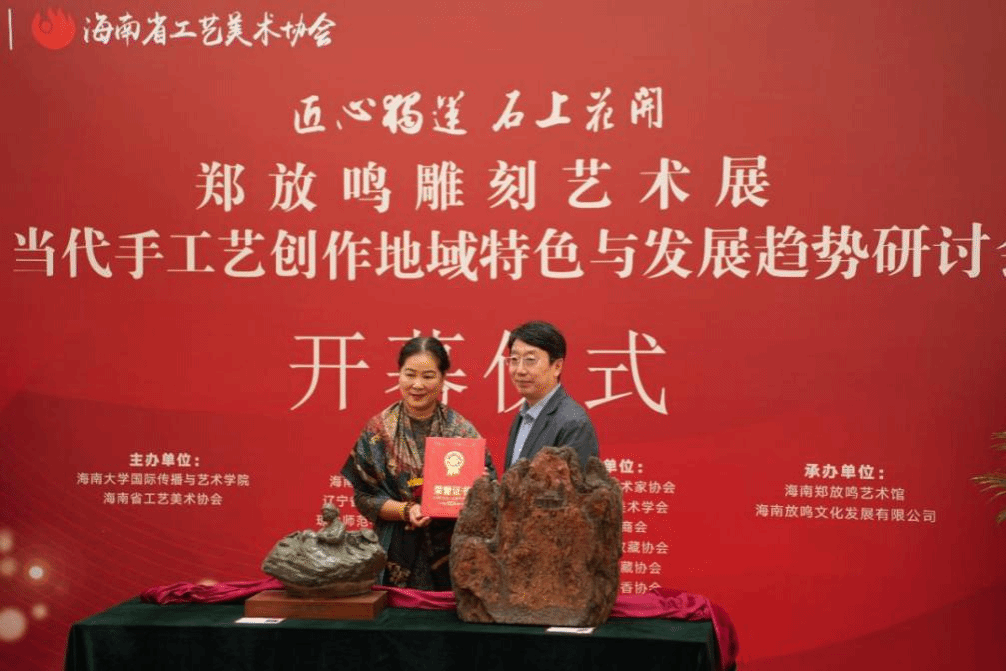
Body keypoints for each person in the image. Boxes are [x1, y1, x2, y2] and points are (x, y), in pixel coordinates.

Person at [341, 336, 496, 589]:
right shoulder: (378, 431)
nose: (417, 384)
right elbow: (364, 496)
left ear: (443, 379)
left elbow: (490, 500)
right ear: (399, 375)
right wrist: (405, 510)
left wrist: (481, 486)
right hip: (394, 553)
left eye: (428, 376)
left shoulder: (462, 433)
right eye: (410, 374)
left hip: (452, 556)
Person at [504, 321, 599, 472]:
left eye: (530, 360)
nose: (520, 370)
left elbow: (575, 484)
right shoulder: (523, 415)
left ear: (557, 366)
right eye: (514, 360)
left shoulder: (573, 423)